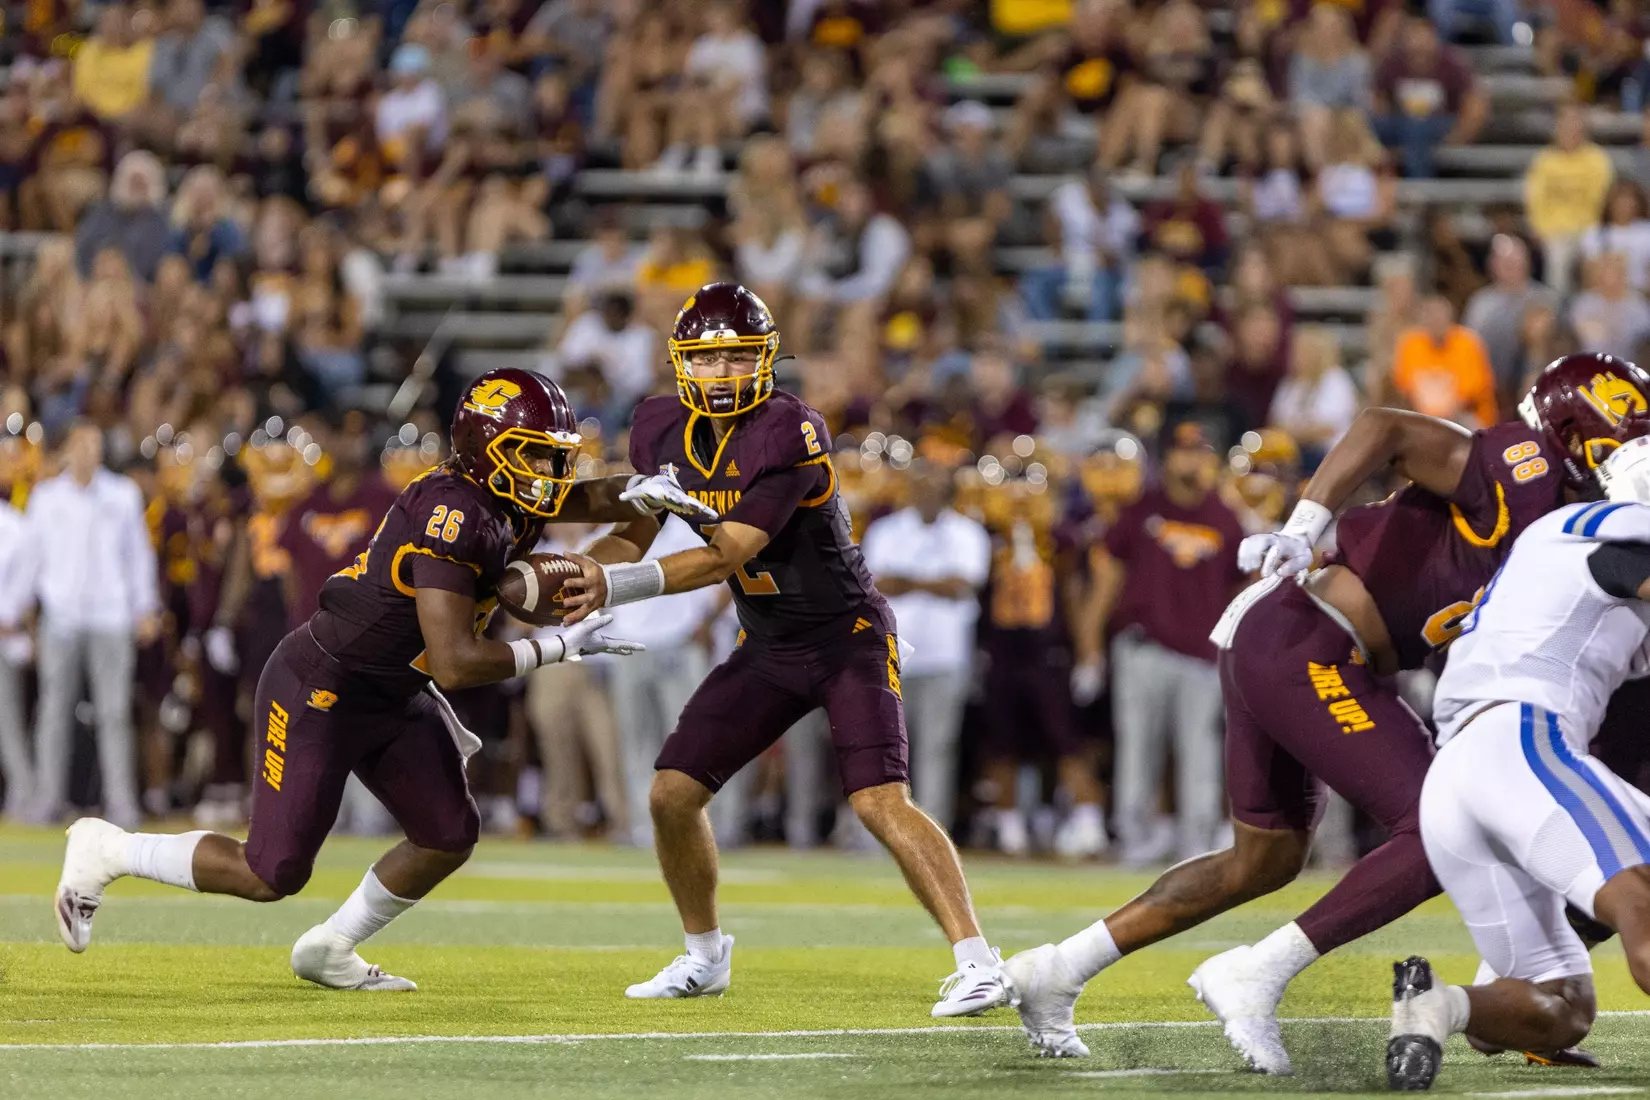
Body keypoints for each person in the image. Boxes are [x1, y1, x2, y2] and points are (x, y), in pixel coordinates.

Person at [1003, 352, 1650, 1068]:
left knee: (1263, 861)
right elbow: (1385, 429)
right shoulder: (1520, 468)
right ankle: (1257, 973)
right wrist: (1303, 526)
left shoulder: (1574, 521)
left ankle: (1058, 969)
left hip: (1294, 645)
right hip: (1309, 639)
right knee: (1439, 825)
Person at [52, 369, 715, 990]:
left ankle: (332, 947)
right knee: (270, 870)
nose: (551, 472)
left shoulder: (506, 491)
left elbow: (585, 494)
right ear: (488, 446)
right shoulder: (451, 514)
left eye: (553, 455)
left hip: (391, 691)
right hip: (322, 686)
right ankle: (108, 848)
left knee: (447, 833)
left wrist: (643, 493)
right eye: (535, 454)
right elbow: (454, 662)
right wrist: (553, 648)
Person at [558, 283, 1014, 1017]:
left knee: (878, 801)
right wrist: (583, 573)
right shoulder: (655, 425)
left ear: (766, 359)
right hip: (767, 644)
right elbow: (635, 530)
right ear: (682, 364)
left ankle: (978, 961)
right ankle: (704, 957)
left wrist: (613, 587)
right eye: (708, 360)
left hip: (846, 639)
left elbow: (726, 554)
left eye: (738, 357)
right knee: (672, 793)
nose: (723, 374)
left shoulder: (791, 429)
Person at [1386, 439, 1650, 1090]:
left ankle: (1437, 1006)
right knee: (1644, 907)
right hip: (1522, 742)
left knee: (1561, 1009)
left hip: (1457, 779)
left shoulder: (1554, 550)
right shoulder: (1614, 535)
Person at [1076, 420, 1246, 866]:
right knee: (1137, 753)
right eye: (1185, 451)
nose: (1193, 460)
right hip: (1143, 649)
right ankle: (1134, 842)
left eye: (1201, 452)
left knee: (1200, 757)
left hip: (1203, 657)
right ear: (1167, 458)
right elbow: (1106, 582)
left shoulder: (1225, 517)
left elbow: (1239, 592)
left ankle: (1200, 850)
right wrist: (1090, 649)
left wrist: (1236, 655)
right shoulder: (1141, 509)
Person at [25, 422, 161, 828]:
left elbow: (138, 554)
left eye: (97, 444)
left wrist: (146, 606)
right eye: (83, 444)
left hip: (111, 614)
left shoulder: (121, 495)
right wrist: (24, 613)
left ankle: (121, 803)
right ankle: (48, 799)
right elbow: (33, 559)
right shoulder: (46, 498)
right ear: (66, 450)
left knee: (114, 712)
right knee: (54, 710)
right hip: (61, 613)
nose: (91, 451)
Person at [859, 463, 990, 836]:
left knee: (937, 750)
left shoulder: (968, 532)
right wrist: (935, 582)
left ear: (949, 492)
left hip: (946, 657)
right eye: (921, 487)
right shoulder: (886, 530)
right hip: (890, 655)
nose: (927, 495)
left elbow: (963, 585)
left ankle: (931, 835)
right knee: (884, 751)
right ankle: (881, 833)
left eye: (935, 488)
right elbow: (877, 585)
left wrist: (907, 581)